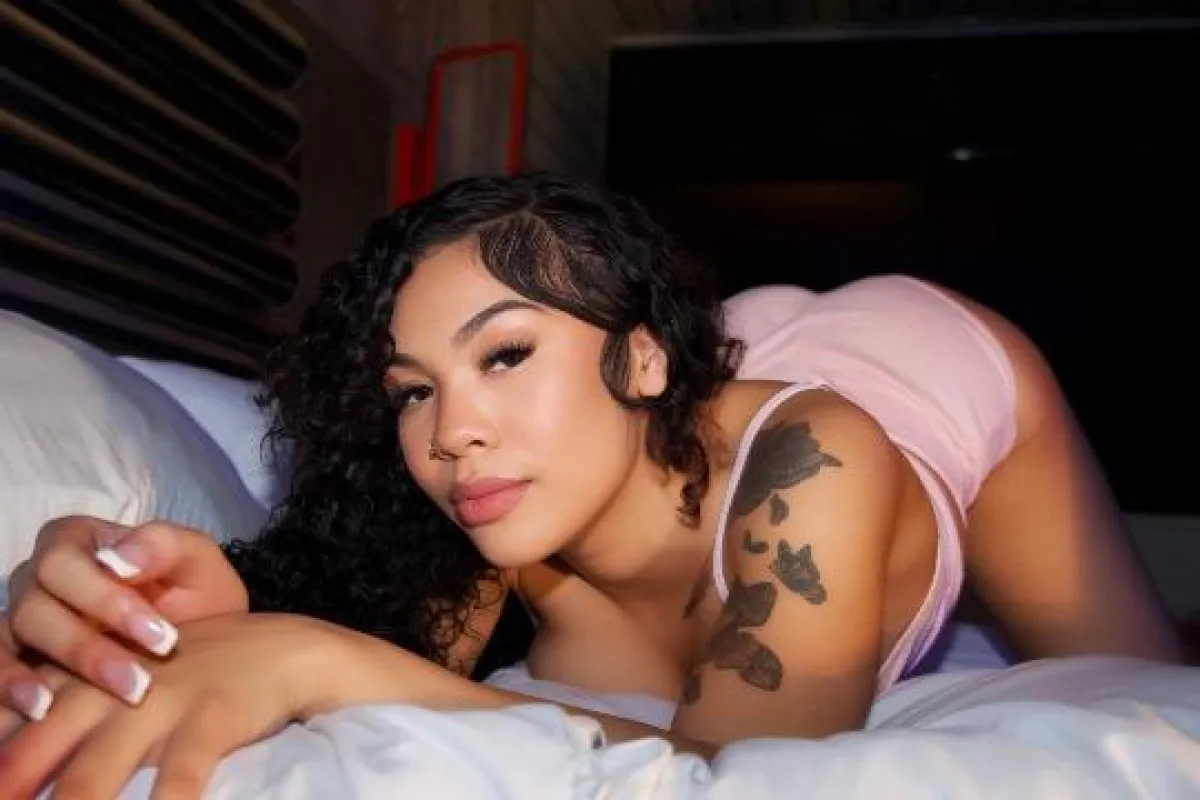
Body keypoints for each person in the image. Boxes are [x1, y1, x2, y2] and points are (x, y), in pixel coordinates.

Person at [0, 173, 1181, 796]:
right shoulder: (497, 496)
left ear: (644, 357)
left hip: (928, 369)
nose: (451, 431)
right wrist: (186, 591)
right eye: (412, 390)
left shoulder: (820, 456)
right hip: (639, 410)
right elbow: (347, 621)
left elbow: (750, 767)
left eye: (504, 354)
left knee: (1146, 676)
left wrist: (323, 658)